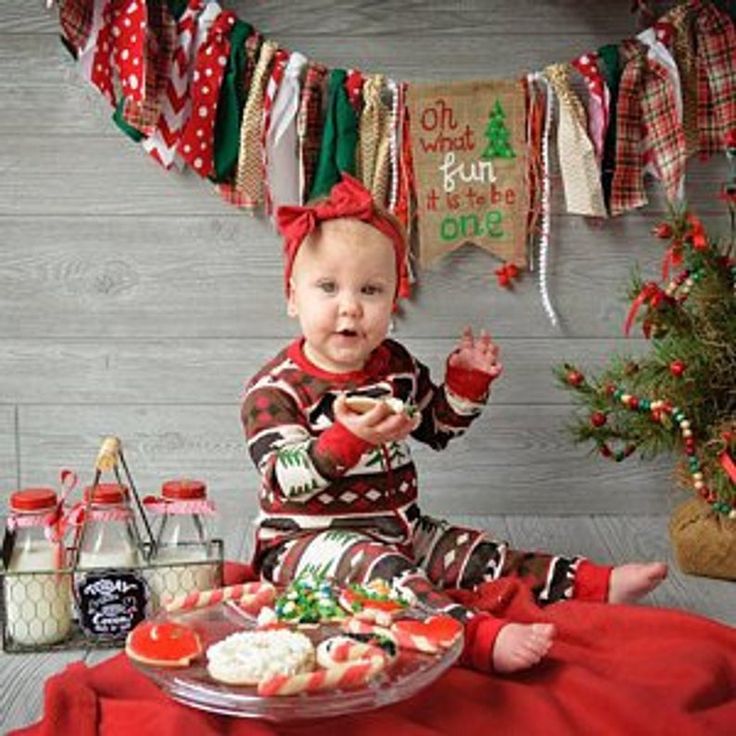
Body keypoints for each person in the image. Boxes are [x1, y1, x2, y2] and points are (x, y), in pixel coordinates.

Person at [241, 173, 667, 674]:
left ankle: (595, 584)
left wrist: (465, 386)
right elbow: (285, 477)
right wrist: (349, 438)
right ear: (293, 297)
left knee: (476, 551)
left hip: (400, 527)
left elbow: (437, 429)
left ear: (394, 300)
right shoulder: (275, 390)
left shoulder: (393, 365)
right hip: (304, 547)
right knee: (388, 575)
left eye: (371, 289)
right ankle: (476, 636)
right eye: (328, 287)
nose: (350, 306)